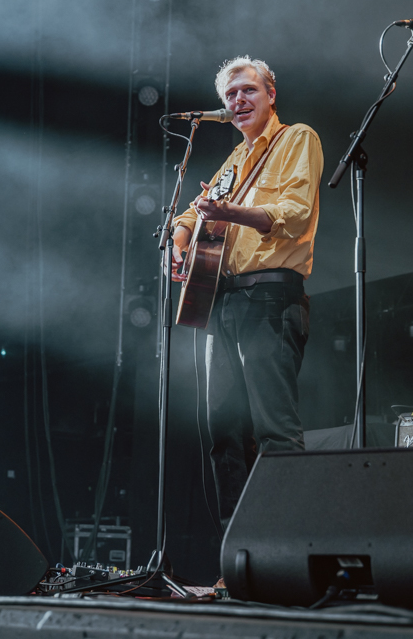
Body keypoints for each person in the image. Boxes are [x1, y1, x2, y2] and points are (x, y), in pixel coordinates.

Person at [172, 56, 323, 531]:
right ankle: (236, 548)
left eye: (248, 91)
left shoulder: (297, 138)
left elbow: (295, 213)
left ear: (270, 95)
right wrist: (179, 243)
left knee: (274, 428)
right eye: (230, 96)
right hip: (223, 301)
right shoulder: (235, 160)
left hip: (270, 297)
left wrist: (230, 213)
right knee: (224, 434)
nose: (238, 101)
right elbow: (191, 215)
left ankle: (286, 543)